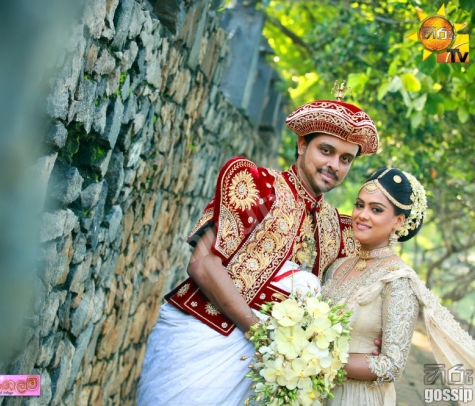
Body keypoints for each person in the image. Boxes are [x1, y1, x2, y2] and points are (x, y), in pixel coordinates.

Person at [137, 85, 381, 405]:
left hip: (263, 369)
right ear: (301, 145)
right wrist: (260, 334)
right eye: (326, 150)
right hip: (204, 339)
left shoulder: (335, 228)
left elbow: (351, 293)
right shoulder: (258, 186)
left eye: (345, 159)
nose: (335, 165)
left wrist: (368, 337)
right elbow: (202, 264)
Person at [322, 168, 475, 405]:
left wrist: (318, 359)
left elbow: (392, 365)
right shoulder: (337, 266)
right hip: (314, 390)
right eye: (359, 205)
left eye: (376, 209)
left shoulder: (398, 279)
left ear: (398, 221)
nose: (362, 215)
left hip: (356, 396)